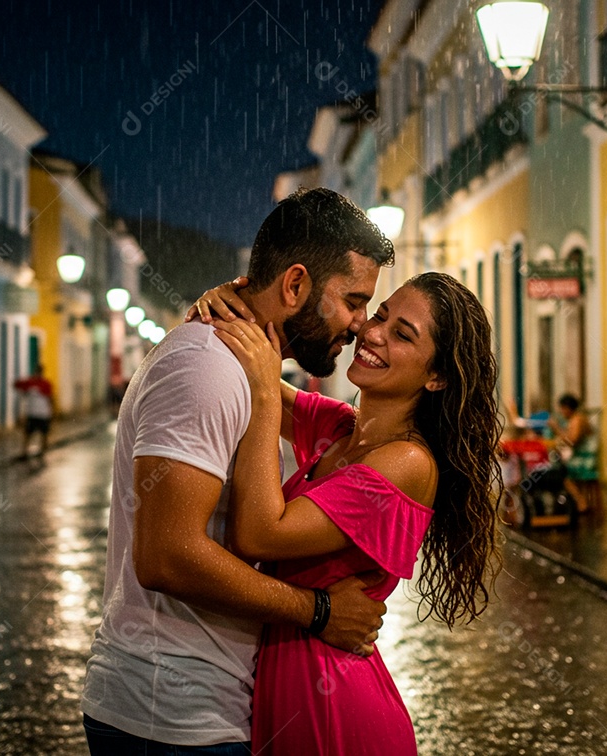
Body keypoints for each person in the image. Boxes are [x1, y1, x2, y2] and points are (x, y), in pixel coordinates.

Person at [81, 187, 395, 754]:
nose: (361, 325)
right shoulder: (207, 370)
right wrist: (318, 612)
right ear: (296, 285)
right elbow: (166, 554)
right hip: (170, 714)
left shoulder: (245, 368)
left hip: (203, 708)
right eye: (353, 300)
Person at [194, 272, 503, 754]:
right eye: (380, 315)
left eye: (402, 334)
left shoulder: (407, 462)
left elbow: (258, 534)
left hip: (335, 710)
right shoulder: (343, 429)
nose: (372, 333)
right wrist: (225, 302)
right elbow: (244, 362)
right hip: (290, 690)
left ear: (436, 376)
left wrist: (259, 392)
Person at [547, 393, 599, 512]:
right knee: (559, 467)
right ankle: (577, 501)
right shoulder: (575, 419)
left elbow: (572, 441)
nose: (561, 412)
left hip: (585, 460)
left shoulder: (577, 419)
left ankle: (581, 502)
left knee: (562, 475)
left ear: (567, 408)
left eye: (562, 409)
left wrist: (557, 429)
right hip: (581, 457)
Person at [14, 364, 55, 458]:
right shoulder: (29, 383)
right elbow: (17, 385)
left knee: (43, 433)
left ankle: (42, 450)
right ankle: (25, 451)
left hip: (43, 413)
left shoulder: (46, 384)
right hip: (32, 413)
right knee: (28, 433)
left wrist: (51, 412)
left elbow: (50, 398)